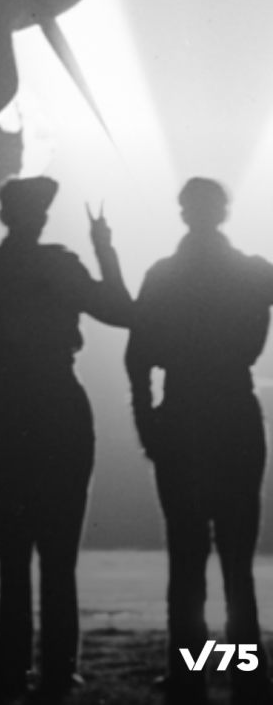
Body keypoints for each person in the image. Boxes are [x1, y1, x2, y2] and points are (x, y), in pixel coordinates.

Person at [0, 176, 131, 703]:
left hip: (3, 407)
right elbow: (122, 311)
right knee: (59, 554)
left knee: (12, 556)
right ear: (41, 217)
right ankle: (58, 669)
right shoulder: (61, 264)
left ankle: (9, 670)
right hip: (58, 406)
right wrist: (105, 249)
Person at [126, 177, 273, 705]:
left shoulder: (162, 275)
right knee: (237, 555)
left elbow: (137, 355)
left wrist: (146, 422)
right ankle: (246, 672)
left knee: (186, 553)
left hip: (183, 409)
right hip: (234, 409)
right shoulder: (255, 273)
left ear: (184, 213)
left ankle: (188, 672)